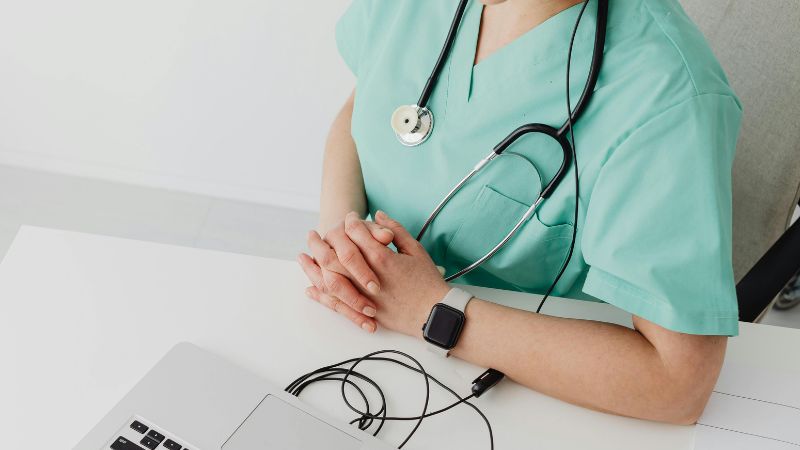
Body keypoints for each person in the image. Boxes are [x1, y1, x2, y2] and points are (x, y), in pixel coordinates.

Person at [297, 0, 742, 425]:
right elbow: (362, 107)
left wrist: (433, 312)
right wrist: (343, 241)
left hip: (517, 395)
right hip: (353, 341)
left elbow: (679, 383)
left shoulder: (668, 98)